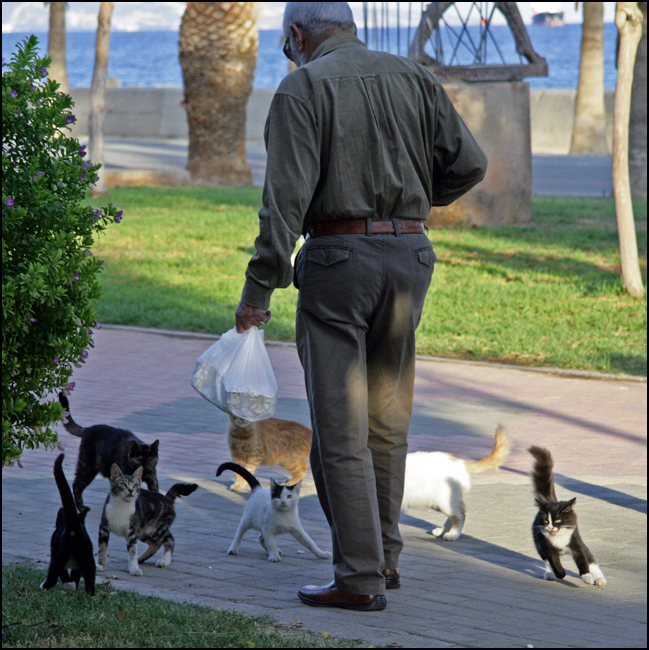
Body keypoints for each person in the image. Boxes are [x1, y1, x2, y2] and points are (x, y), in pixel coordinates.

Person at [235, 2, 487, 611]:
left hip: (337, 263)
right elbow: (471, 164)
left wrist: (257, 291)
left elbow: (283, 207)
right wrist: (419, 202)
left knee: (340, 433)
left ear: (297, 35)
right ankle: (387, 561)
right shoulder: (414, 76)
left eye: (283, 43)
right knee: (387, 422)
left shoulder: (302, 89)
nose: (284, 53)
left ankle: (358, 578)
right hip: (410, 256)